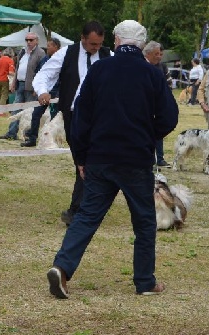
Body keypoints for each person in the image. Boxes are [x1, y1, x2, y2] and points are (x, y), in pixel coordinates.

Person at [46, 19, 178, 299]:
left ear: (116, 41)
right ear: (142, 44)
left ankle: (62, 267)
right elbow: (169, 117)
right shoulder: (152, 74)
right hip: (136, 159)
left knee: (86, 217)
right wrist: (147, 135)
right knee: (144, 222)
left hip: (100, 157)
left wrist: (81, 156)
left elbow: (80, 116)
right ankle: (145, 281)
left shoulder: (98, 70)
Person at [33, 21, 111, 225]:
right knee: (82, 161)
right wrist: (42, 90)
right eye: (93, 44)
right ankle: (87, 206)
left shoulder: (109, 56)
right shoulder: (66, 54)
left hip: (100, 116)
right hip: (73, 116)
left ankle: (78, 210)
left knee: (88, 161)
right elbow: (45, 74)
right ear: (83, 38)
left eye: (99, 44)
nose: (96, 48)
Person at [0, 32, 45, 140]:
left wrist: (37, 88)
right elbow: (17, 68)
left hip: (32, 86)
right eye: (27, 40)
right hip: (20, 84)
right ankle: (11, 133)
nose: (28, 42)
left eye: (31, 40)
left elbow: (42, 72)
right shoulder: (22, 51)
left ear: (36, 41)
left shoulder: (41, 53)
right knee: (16, 109)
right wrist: (14, 82)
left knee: (29, 112)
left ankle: (28, 134)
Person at [22, 37, 62, 147]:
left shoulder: (62, 60)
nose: (47, 48)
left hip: (56, 93)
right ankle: (32, 138)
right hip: (44, 93)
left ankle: (52, 140)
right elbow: (38, 74)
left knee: (55, 117)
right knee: (36, 114)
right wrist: (38, 89)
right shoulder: (44, 60)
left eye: (49, 45)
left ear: (56, 47)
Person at [143, 41, 172, 168]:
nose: (159, 57)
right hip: (146, 106)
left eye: (161, 54)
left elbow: (169, 84)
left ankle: (160, 158)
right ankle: (148, 158)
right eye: (157, 54)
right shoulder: (143, 66)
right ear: (148, 54)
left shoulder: (162, 67)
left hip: (159, 105)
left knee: (158, 132)